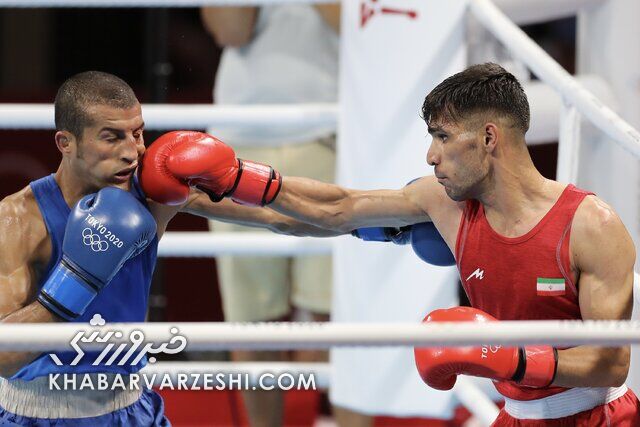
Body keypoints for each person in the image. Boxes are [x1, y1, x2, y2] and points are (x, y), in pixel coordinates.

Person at [170, 63, 639, 425]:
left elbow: (611, 362)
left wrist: (509, 357)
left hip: (601, 418)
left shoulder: (590, 225)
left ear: (489, 139)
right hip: (515, 416)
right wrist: (203, 193)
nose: (430, 155)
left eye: (443, 136)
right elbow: (332, 209)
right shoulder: (447, 204)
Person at [0, 71, 334, 425]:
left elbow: (277, 213)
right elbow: (4, 358)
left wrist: (380, 220)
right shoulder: (17, 220)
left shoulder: (152, 190)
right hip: (32, 413)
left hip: (131, 408)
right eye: (112, 138)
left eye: (138, 134)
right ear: (66, 143)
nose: (133, 152)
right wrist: (74, 282)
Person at [200, 4, 342, 426]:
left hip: (329, 135)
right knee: (252, 318)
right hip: (241, 139)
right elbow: (232, 30)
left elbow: (354, 27)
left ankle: (318, 415)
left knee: (330, 310)